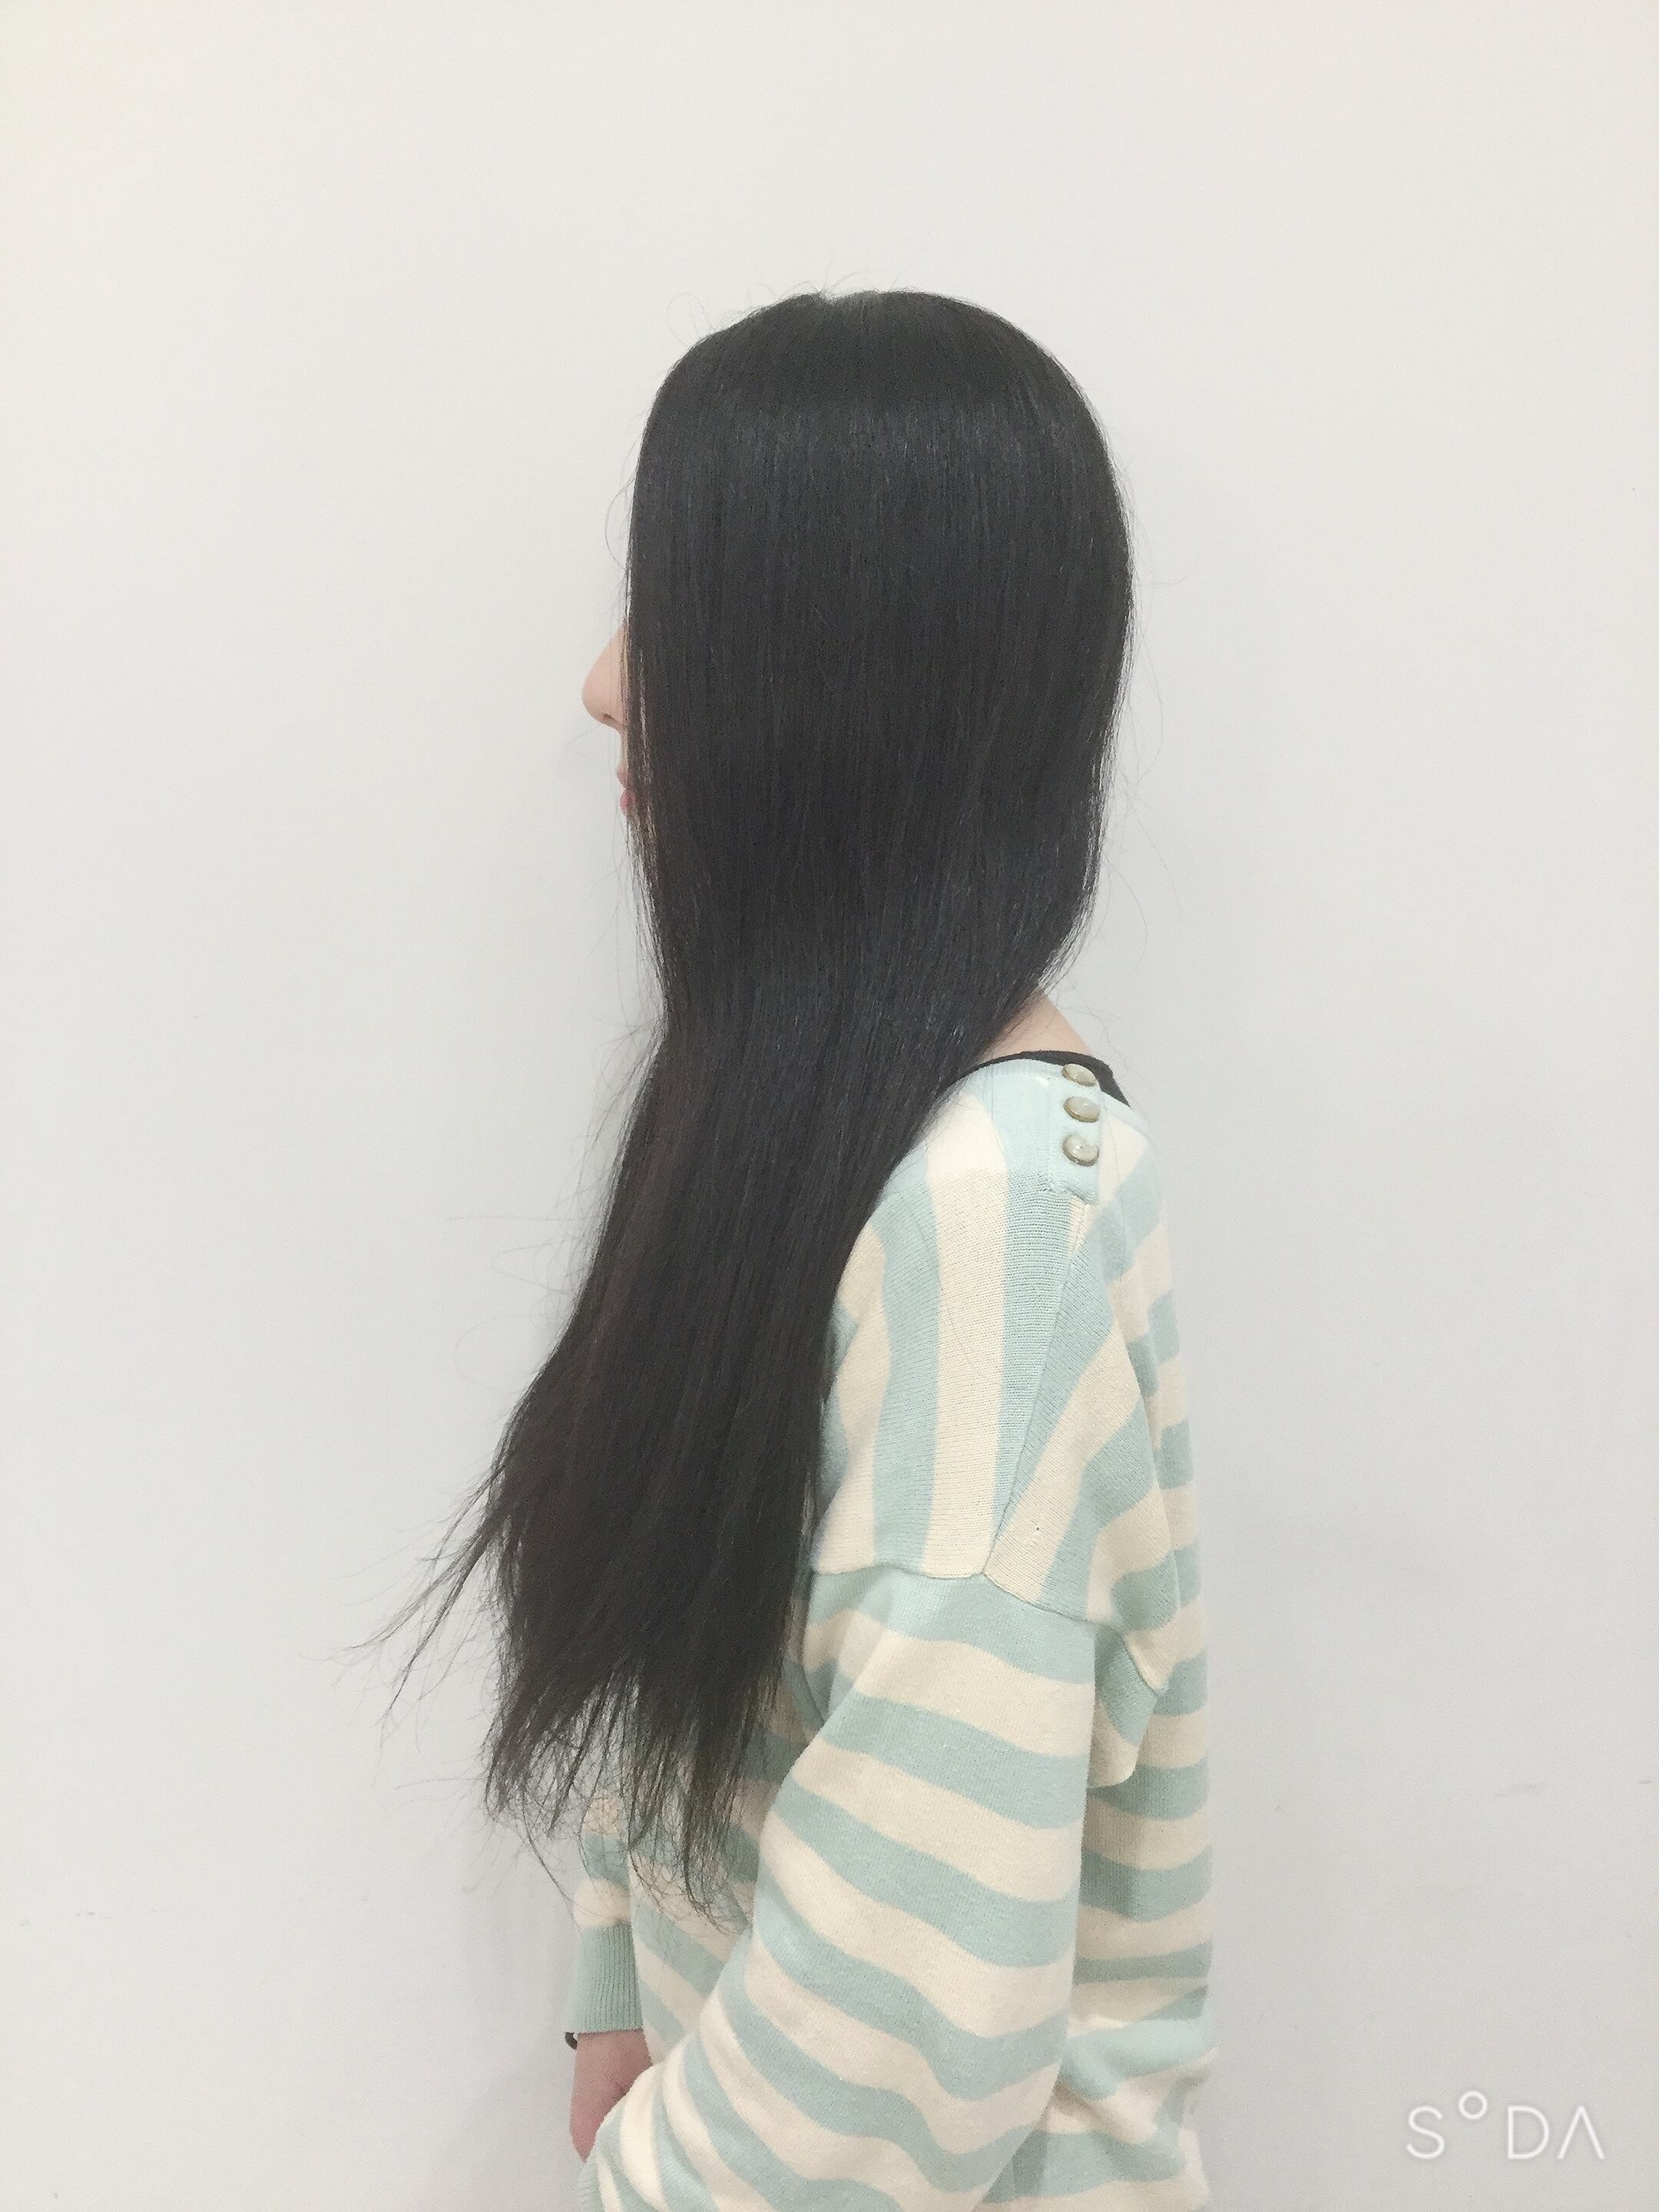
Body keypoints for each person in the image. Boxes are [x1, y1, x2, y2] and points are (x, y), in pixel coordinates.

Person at [392, 287, 1214, 2207]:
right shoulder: (821, 1125)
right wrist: (618, 1971)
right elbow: (708, 1614)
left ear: (838, 671)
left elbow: (908, 2053)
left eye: (671, 615)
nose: (606, 687)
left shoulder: (998, 1223)